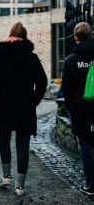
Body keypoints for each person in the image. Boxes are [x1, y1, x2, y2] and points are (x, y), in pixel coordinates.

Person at [0, 22, 47, 196]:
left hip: (4, 105)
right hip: (25, 106)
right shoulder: (31, 58)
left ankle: (6, 175)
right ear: (24, 36)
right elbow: (42, 83)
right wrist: (34, 101)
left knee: (4, 139)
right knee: (23, 143)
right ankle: (20, 186)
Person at [62, 22, 94, 196]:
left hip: (82, 109)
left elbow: (67, 89)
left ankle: (91, 184)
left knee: (86, 144)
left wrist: (71, 108)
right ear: (91, 35)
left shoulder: (71, 60)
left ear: (75, 38)